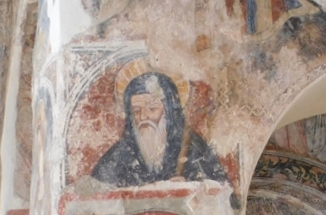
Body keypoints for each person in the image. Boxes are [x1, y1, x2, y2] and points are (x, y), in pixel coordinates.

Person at [92, 71, 227, 186]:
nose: (143, 117)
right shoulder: (120, 154)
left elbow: (224, 196)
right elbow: (95, 194)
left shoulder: (193, 148)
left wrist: (190, 187)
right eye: (136, 111)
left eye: (152, 109)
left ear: (168, 111)